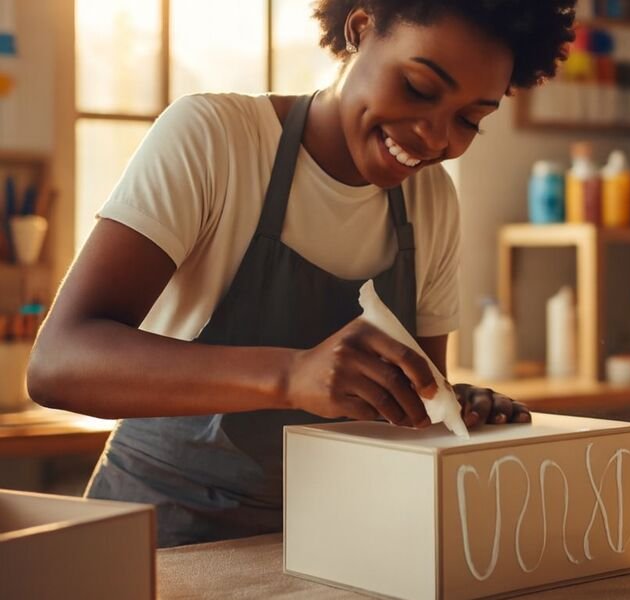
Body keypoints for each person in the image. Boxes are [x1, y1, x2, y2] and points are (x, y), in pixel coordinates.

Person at [28, 0, 576, 547]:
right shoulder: (216, 139)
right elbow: (58, 364)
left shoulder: (431, 201)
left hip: (326, 545)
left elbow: (410, 417)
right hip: (157, 541)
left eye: (469, 120)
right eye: (417, 88)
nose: (436, 139)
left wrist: (455, 408)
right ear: (360, 30)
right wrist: (292, 375)